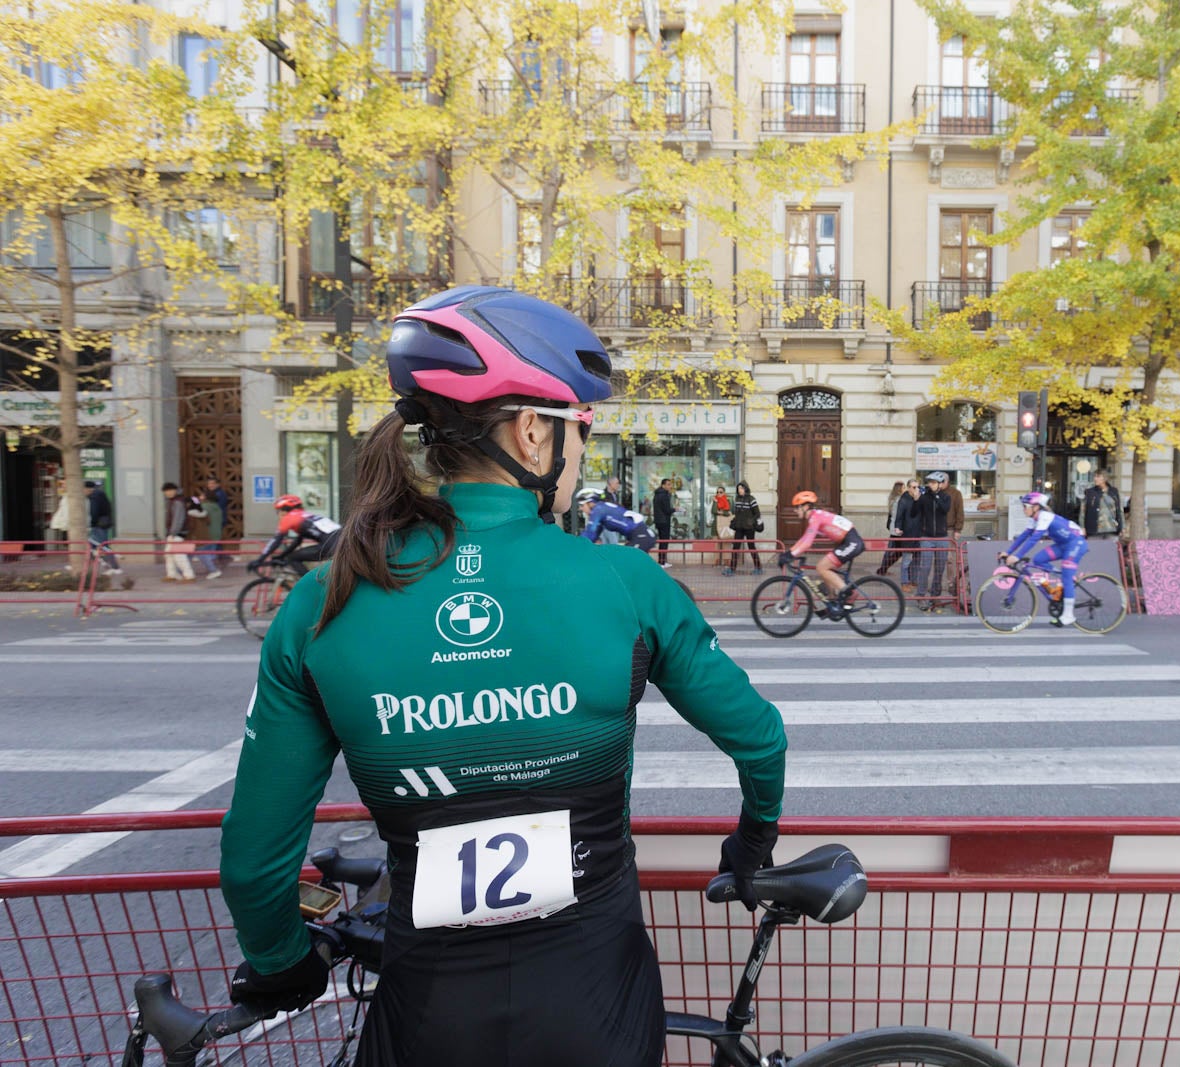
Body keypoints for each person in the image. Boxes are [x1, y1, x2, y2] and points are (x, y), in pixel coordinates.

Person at [218, 286, 786, 1067]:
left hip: (426, 1017)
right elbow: (760, 739)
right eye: (580, 427)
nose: (582, 452)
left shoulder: (325, 595)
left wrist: (285, 965)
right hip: (599, 1004)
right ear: (530, 432)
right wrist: (750, 847)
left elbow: (253, 862)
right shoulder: (627, 581)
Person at [1002, 491, 1088, 627]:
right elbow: (1024, 536)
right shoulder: (1034, 518)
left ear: (1036, 507)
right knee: (1038, 560)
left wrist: (1017, 556)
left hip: (1075, 543)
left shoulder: (1045, 516)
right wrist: (1007, 552)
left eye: (1025, 506)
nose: (1023, 509)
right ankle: (1064, 577)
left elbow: (1034, 539)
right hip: (1062, 545)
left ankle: (1068, 614)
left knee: (1066, 575)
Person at [780, 491, 864, 618]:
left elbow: (807, 543)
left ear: (806, 507)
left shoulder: (815, 517)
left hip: (851, 541)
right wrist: (789, 552)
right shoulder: (815, 516)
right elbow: (803, 539)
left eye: (797, 507)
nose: (795, 511)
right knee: (825, 568)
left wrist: (791, 555)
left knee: (822, 567)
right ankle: (832, 602)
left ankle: (850, 593)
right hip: (846, 541)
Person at [251, 494, 341, 575]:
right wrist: (281, 556)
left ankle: (309, 586)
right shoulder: (305, 515)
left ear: (284, 510)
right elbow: (297, 542)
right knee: (295, 556)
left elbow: (276, 541)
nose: (278, 515)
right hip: (341, 542)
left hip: (331, 545)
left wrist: (260, 560)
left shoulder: (289, 518)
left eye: (278, 511)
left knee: (292, 558)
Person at [914, 472, 953, 611]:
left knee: (939, 568)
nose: (930, 485)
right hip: (927, 537)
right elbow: (915, 513)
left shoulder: (946, 497)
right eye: (929, 482)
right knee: (925, 567)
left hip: (942, 537)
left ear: (940, 484)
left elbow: (944, 509)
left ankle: (935, 595)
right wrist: (917, 500)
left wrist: (936, 495)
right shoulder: (924, 498)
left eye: (933, 483)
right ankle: (920, 595)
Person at [575, 489, 657, 553]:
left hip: (641, 537)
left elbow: (590, 533)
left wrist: (575, 547)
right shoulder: (602, 508)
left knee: (623, 564)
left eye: (582, 505)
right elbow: (594, 535)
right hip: (640, 536)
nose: (580, 508)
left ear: (591, 503)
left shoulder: (598, 510)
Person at [877, 476, 923, 588]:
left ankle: (914, 580)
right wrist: (897, 527)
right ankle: (904, 582)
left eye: (918, 487)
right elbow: (899, 515)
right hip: (906, 534)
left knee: (917, 559)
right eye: (914, 487)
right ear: (908, 488)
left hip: (918, 534)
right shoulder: (903, 499)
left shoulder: (920, 499)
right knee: (905, 559)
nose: (916, 489)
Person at [724, 481, 763, 576]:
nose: (740, 490)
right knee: (735, 548)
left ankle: (758, 568)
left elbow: (757, 513)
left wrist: (751, 521)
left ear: (746, 488)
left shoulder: (751, 499)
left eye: (741, 488)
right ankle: (732, 569)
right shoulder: (737, 499)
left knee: (751, 547)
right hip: (739, 528)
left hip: (749, 528)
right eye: (738, 489)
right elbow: (736, 513)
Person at [160, 482, 197, 582]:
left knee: (178, 554)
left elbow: (178, 519)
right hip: (174, 532)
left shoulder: (177, 502)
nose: (168, 493)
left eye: (170, 490)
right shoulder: (172, 501)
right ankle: (172, 574)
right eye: (166, 491)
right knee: (168, 554)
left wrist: (173, 532)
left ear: (175, 490)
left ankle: (189, 575)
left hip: (178, 533)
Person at [84, 481, 123, 575]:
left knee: (103, 546)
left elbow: (94, 512)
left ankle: (115, 567)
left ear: (87, 488)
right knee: (92, 546)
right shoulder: (100, 494)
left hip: (98, 525)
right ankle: (104, 565)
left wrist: (91, 523)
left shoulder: (94, 496)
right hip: (101, 524)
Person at [1081, 470, 1123, 539]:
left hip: (1112, 530)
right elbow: (1082, 512)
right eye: (1094, 476)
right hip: (1094, 531)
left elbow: (1120, 511)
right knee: (1095, 549)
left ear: (1105, 478)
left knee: (1110, 549)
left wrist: (1122, 527)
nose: (1095, 479)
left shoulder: (1114, 492)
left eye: (1098, 476)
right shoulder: (1089, 492)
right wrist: (1083, 527)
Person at [194, 488, 225, 578]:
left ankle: (213, 570)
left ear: (206, 497)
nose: (200, 497)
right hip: (217, 533)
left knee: (201, 552)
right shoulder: (217, 507)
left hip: (207, 534)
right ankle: (212, 568)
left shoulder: (204, 507)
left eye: (202, 495)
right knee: (210, 553)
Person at [652, 477, 674, 567]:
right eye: (668, 484)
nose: (670, 486)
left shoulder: (657, 494)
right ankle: (662, 562)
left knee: (662, 541)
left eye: (670, 484)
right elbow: (667, 510)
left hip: (659, 521)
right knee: (664, 541)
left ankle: (662, 560)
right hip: (664, 521)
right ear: (663, 485)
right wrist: (675, 509)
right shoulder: (664, 495)